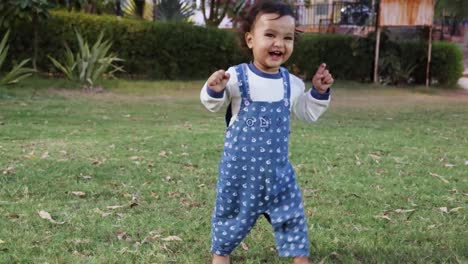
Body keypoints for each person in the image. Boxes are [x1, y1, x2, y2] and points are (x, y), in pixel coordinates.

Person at [200, 1, 333, 263]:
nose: (279, 44)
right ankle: (221, 255)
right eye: (270, 35)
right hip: (239, 173)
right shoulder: (236, 77)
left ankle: (300, 258)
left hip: (278, 173)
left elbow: (307, 111)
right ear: (250, 39)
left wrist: (318, 92)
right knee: (229, 214)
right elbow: (214, 105)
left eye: (287, 37)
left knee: (291, 214)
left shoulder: (292, 84)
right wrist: (214, 89)